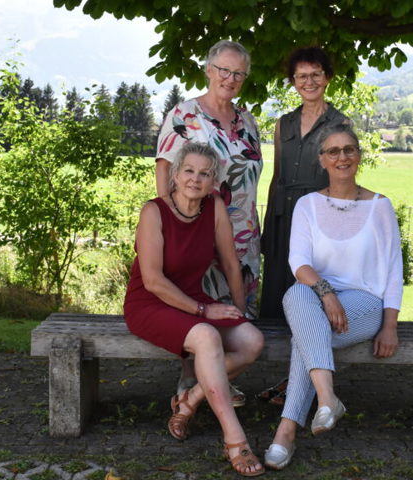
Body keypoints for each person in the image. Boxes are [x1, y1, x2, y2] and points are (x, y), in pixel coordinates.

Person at [263, 125, 402, 470]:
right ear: (321, 159)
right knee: (297, 296)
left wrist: (390, 326)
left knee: (304, 335)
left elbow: (394, 271)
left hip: (365, 303)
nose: (342, 157)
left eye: (349, 149)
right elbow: (299, 263)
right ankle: (324, 400)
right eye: (334, 151)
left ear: (359, 155)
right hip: (317, 296)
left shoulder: (380, 207)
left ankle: (287, 430)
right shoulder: (309, 205)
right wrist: (326, 294)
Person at [124, 142, 265, 477]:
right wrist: (205, 311)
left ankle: (190, 400)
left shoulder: (213, 207)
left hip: (193, 299)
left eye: (204, 173)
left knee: (252, 342)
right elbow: (154, 280)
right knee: (205, 337)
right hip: (150, 302)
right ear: (175, 174)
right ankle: (235, 438)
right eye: (188, 170)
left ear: (213, 180)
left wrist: (239, 310)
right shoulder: (153, 211)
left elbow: (231, 265)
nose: (195, 179)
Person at [156, 40, 263, 404]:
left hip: (243, 234)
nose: (230, 78)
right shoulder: (184, 115)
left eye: (238, 73)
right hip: (196, 230)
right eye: (223, 70)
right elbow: (165, 172)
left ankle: (217, 382)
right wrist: (173, 223)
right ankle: (190, 380)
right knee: (197, 303)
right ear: (208, 70)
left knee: (236, 311)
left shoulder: (248, 120)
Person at [257, 46, 350, 406]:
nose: (308, 82)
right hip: (282, 220)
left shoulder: (340, 124)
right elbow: (277, 176)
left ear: (326, 78)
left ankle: (304, 386)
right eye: (301, 76)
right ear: (293, 82)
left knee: (309, 301)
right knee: (279, 301)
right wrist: (269, 229)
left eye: (315, 74)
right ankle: (290, 381)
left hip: (318, 222)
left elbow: (342, 180)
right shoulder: (283, 123)